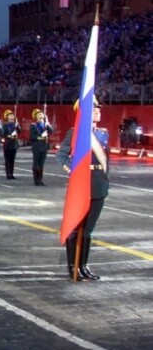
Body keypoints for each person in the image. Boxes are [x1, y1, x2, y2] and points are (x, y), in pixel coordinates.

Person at [57, 98, 108, 281]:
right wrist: (75, 171)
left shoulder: (102, 134)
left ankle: (83, 266)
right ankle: (73, 267)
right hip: (82, 185)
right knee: (75, 228)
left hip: (98, 185)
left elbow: (104, 160)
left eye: (98, 109)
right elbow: (61, 155)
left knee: (88, 230)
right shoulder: (76, 133)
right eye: (94, 109)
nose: (97, 111)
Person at [29, 108, 54, 186]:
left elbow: (51, 131)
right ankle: (36, 180)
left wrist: (47, 123)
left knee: (41, 164)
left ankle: (40, 180)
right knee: (36, 163)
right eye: (39, 115)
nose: (41, 116)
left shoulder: (45, 125)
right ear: (36, 117)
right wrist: (40, 137)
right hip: (36, 146)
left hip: (44, 146)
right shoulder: (33, 126)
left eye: (42, 115)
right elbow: (32, 137)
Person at [1, 110, 21, 180]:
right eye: (10, 116)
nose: (12, 117)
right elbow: (3, 134)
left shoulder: (15, 124)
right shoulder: (5, 125)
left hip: (14, 144)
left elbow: (19, 132)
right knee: (7, 160)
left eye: (12, 116)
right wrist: (10, 136)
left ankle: (11, 174)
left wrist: (17, 126)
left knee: (12, 160)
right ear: (8, 117)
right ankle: (7, 174)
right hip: (7, 144)